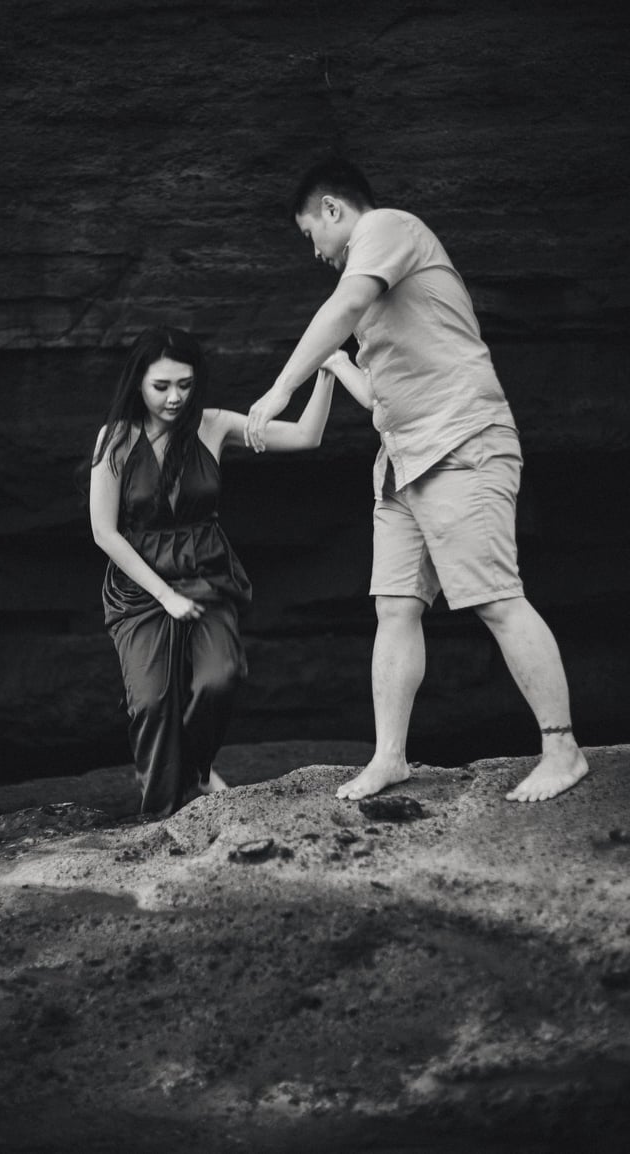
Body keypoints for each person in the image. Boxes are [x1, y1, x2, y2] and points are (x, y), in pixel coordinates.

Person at [245, 158, 588, 804]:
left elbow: (343, 305)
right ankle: (390, 757)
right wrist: (333, 367)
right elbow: (378, 394)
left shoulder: (388, 229)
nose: (313, 251)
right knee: (396, 608)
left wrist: (281, 387)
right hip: (403, 461)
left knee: (495, 595)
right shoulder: (381, 292)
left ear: (333, 211)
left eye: (309, 234)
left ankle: (562, 749)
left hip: (460, 443)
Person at [90, 325, 334, 817]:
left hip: (206, 573)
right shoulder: (115, 439)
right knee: (153, 703)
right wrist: (165, 596)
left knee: (219, 679)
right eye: (162, 386)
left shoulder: (213, 425)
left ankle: (197, 774)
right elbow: (105, 533)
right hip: (142, 586)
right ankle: (162, 812)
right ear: (138, 381)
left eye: (185, 383)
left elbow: (307, 437)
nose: (175, 397)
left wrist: (325, 371)